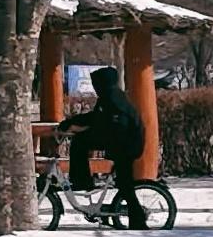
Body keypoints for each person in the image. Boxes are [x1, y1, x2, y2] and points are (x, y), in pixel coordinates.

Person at [60, 64, 150, 226]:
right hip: (121, 143)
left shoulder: (114, 98)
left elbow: (109, 124)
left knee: (125, 184)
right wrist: (71, 122)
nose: (95, 88)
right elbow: (95, 118)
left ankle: (138, 220)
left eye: (96, 84)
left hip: (126, 146)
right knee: (124, 184)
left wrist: (87, 130)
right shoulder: (111, 96)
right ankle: (82, 180)